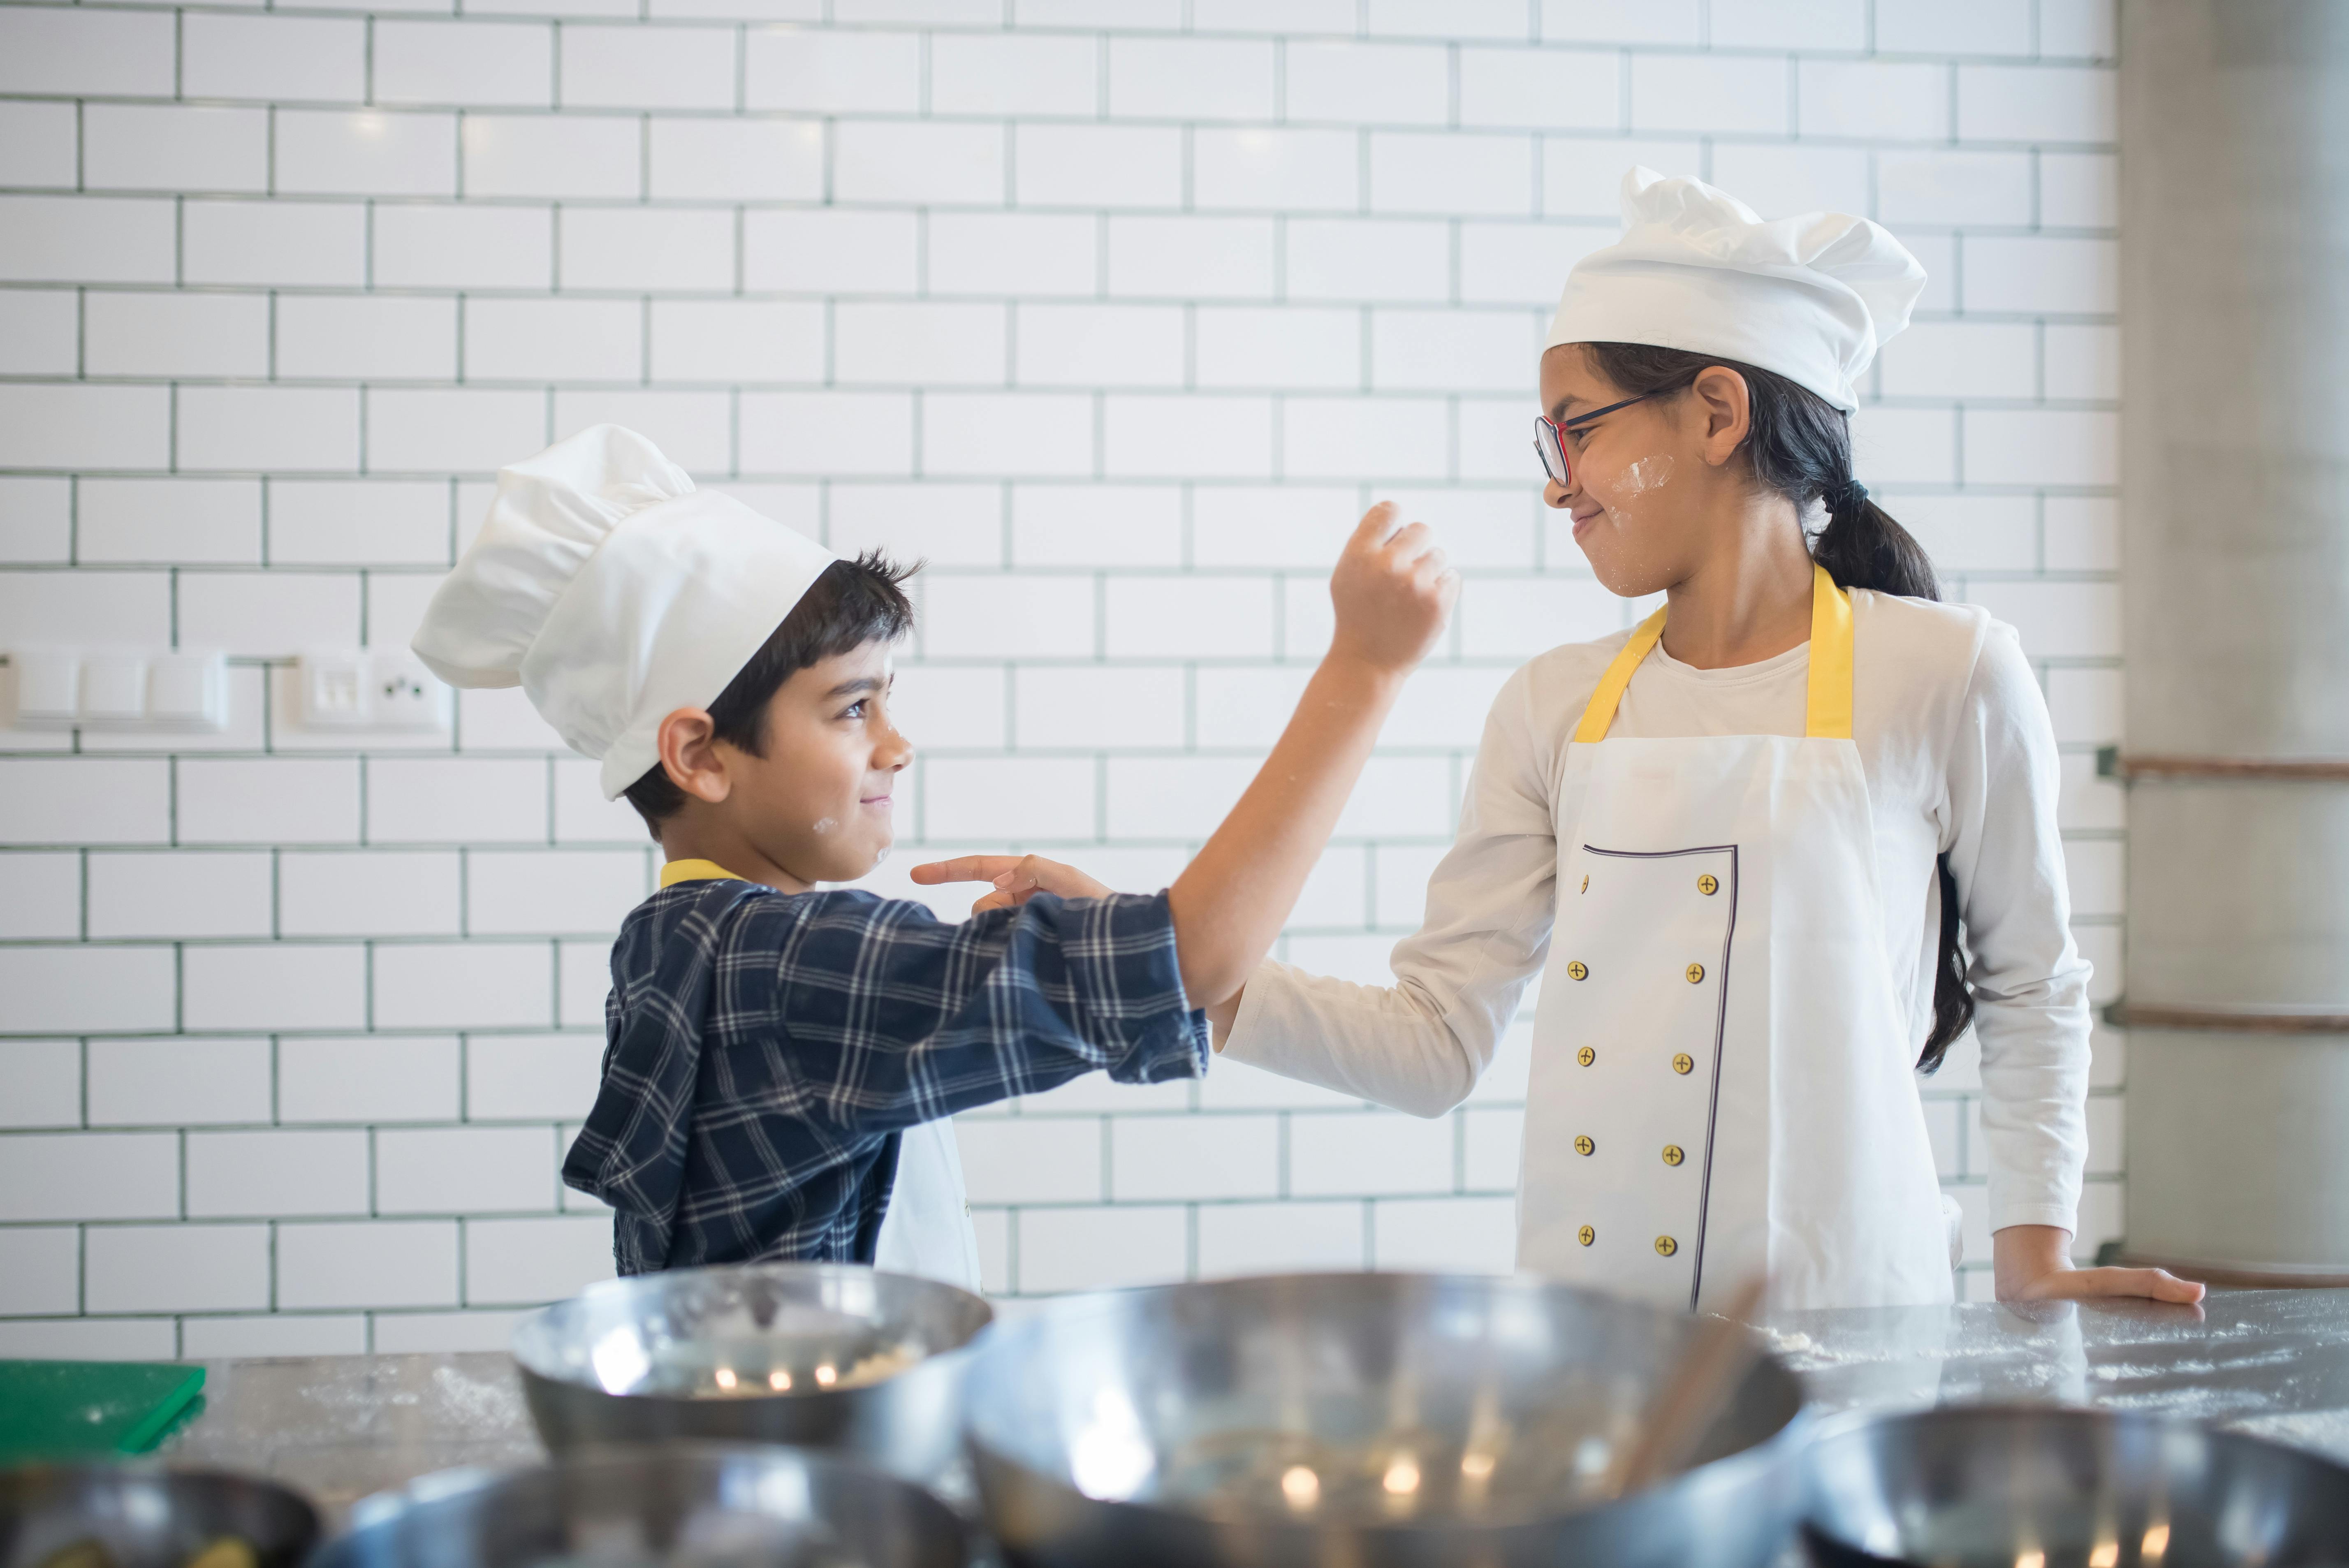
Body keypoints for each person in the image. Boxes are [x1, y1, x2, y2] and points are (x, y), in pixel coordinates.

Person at [937, 169, 2198, 1313]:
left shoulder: (1948, 670)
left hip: (1856, 1319)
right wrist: (1149, 949)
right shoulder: (1553, 704)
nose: (1557, 480)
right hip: (1603, 1343)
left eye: (1578, 427)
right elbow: (1431, 1044)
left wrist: (2035, 1252)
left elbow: (2033, 980)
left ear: (1716, 412)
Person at [409, 425, 1456, 1286]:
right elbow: (1195, 957)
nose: (896, 744)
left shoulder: (680, 941)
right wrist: (1364, 668)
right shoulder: (786, 966)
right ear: (700, 754)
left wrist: (1011, 958)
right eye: (852, 707)